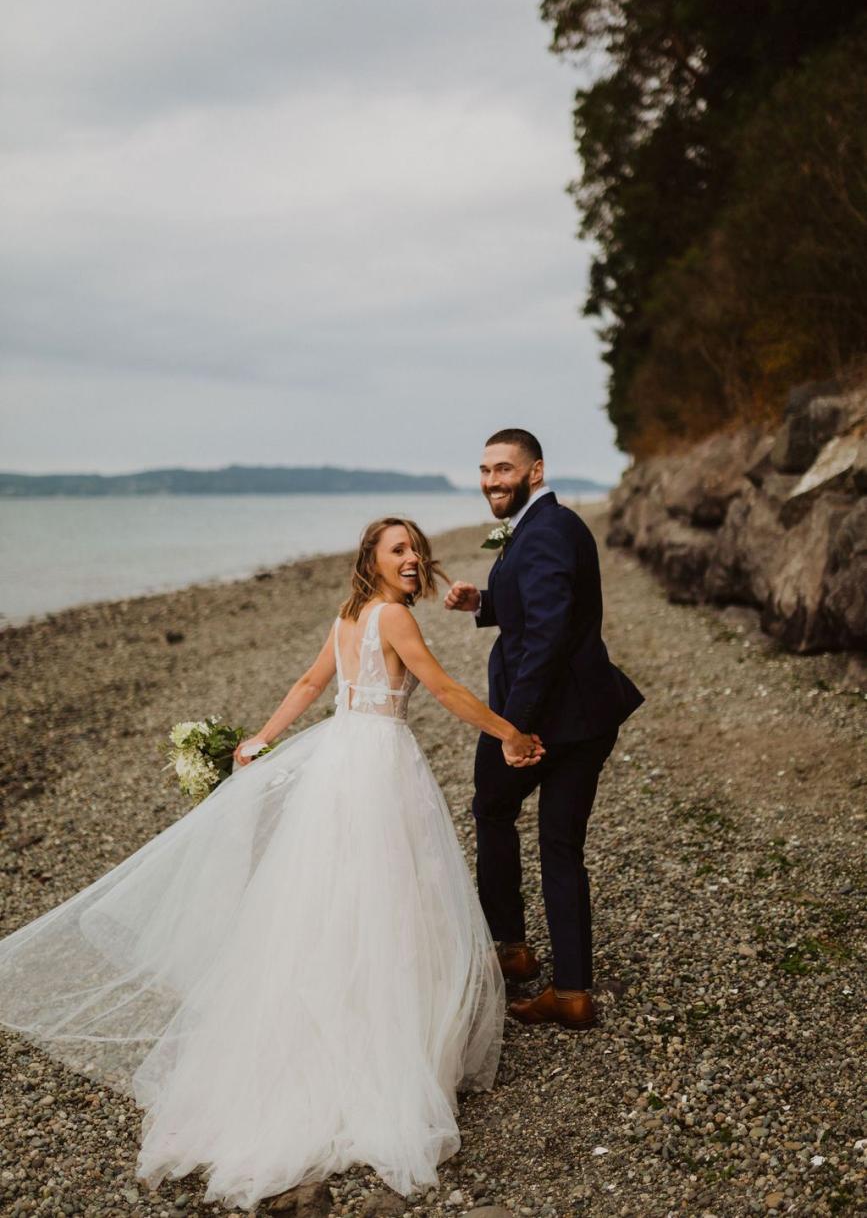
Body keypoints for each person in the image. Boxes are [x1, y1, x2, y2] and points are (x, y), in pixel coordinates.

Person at [0, 517, 544, 1213]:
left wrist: (264, 736)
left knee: (333, 897)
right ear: (371, 562)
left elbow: (310, 682)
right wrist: (510, 732)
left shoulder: (349, 615)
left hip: (341, 758)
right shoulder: (388, 618)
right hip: (376, 767)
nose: (413, 559)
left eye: (415, 549)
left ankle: (351, 1028)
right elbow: (439, 689)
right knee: (387, 895)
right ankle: (385, 1048)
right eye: (398, 550)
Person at [445, 429, 644, 1031]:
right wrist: (482, 602)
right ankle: (573, 991)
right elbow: (535, 603)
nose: (491, 481)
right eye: (484, 470)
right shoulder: (538, 525)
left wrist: (514, 728)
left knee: (492, 808)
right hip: (583, 715)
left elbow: (549, 633)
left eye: (503, 469)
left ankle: (511, 948)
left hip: (546, 714)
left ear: (535, 471)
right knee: (558, 843)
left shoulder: (548, 530)